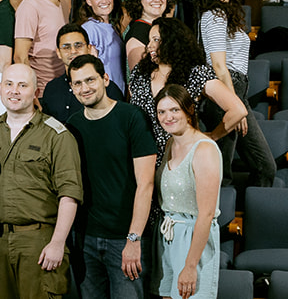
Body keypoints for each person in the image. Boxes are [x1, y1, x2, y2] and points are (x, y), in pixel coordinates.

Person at [0, 64, 82, 299]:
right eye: (9, 84)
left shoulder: (57, 135)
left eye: (22, 85)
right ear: (0, 88)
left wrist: (57, 243)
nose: (14, 91)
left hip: (39, 241)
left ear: (36, 92)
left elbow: (69, 194)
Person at [60, 55, 156, 299]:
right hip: (86, 239)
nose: (85, 88)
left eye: (90, 80)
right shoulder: (72, 125)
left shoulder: (131, 117)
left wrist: (133, 239)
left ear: (105, 78)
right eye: (78, 83)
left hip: (125, 239)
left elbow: (146, 184)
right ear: (71, 88)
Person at [152, 85, 222, 299]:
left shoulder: (205, 150)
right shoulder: (169, 144)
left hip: (194, 239)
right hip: (167, 235)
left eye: (174, 110)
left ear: (189, 110)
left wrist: (190, 265)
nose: (167, 117)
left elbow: (206, 214)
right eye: (161, 112)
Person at [15, 0, 71, 86]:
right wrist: (32, 93)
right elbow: (20, 57)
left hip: (63, 85)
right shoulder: (29, 6)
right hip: (42, 89)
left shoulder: (64, 0)